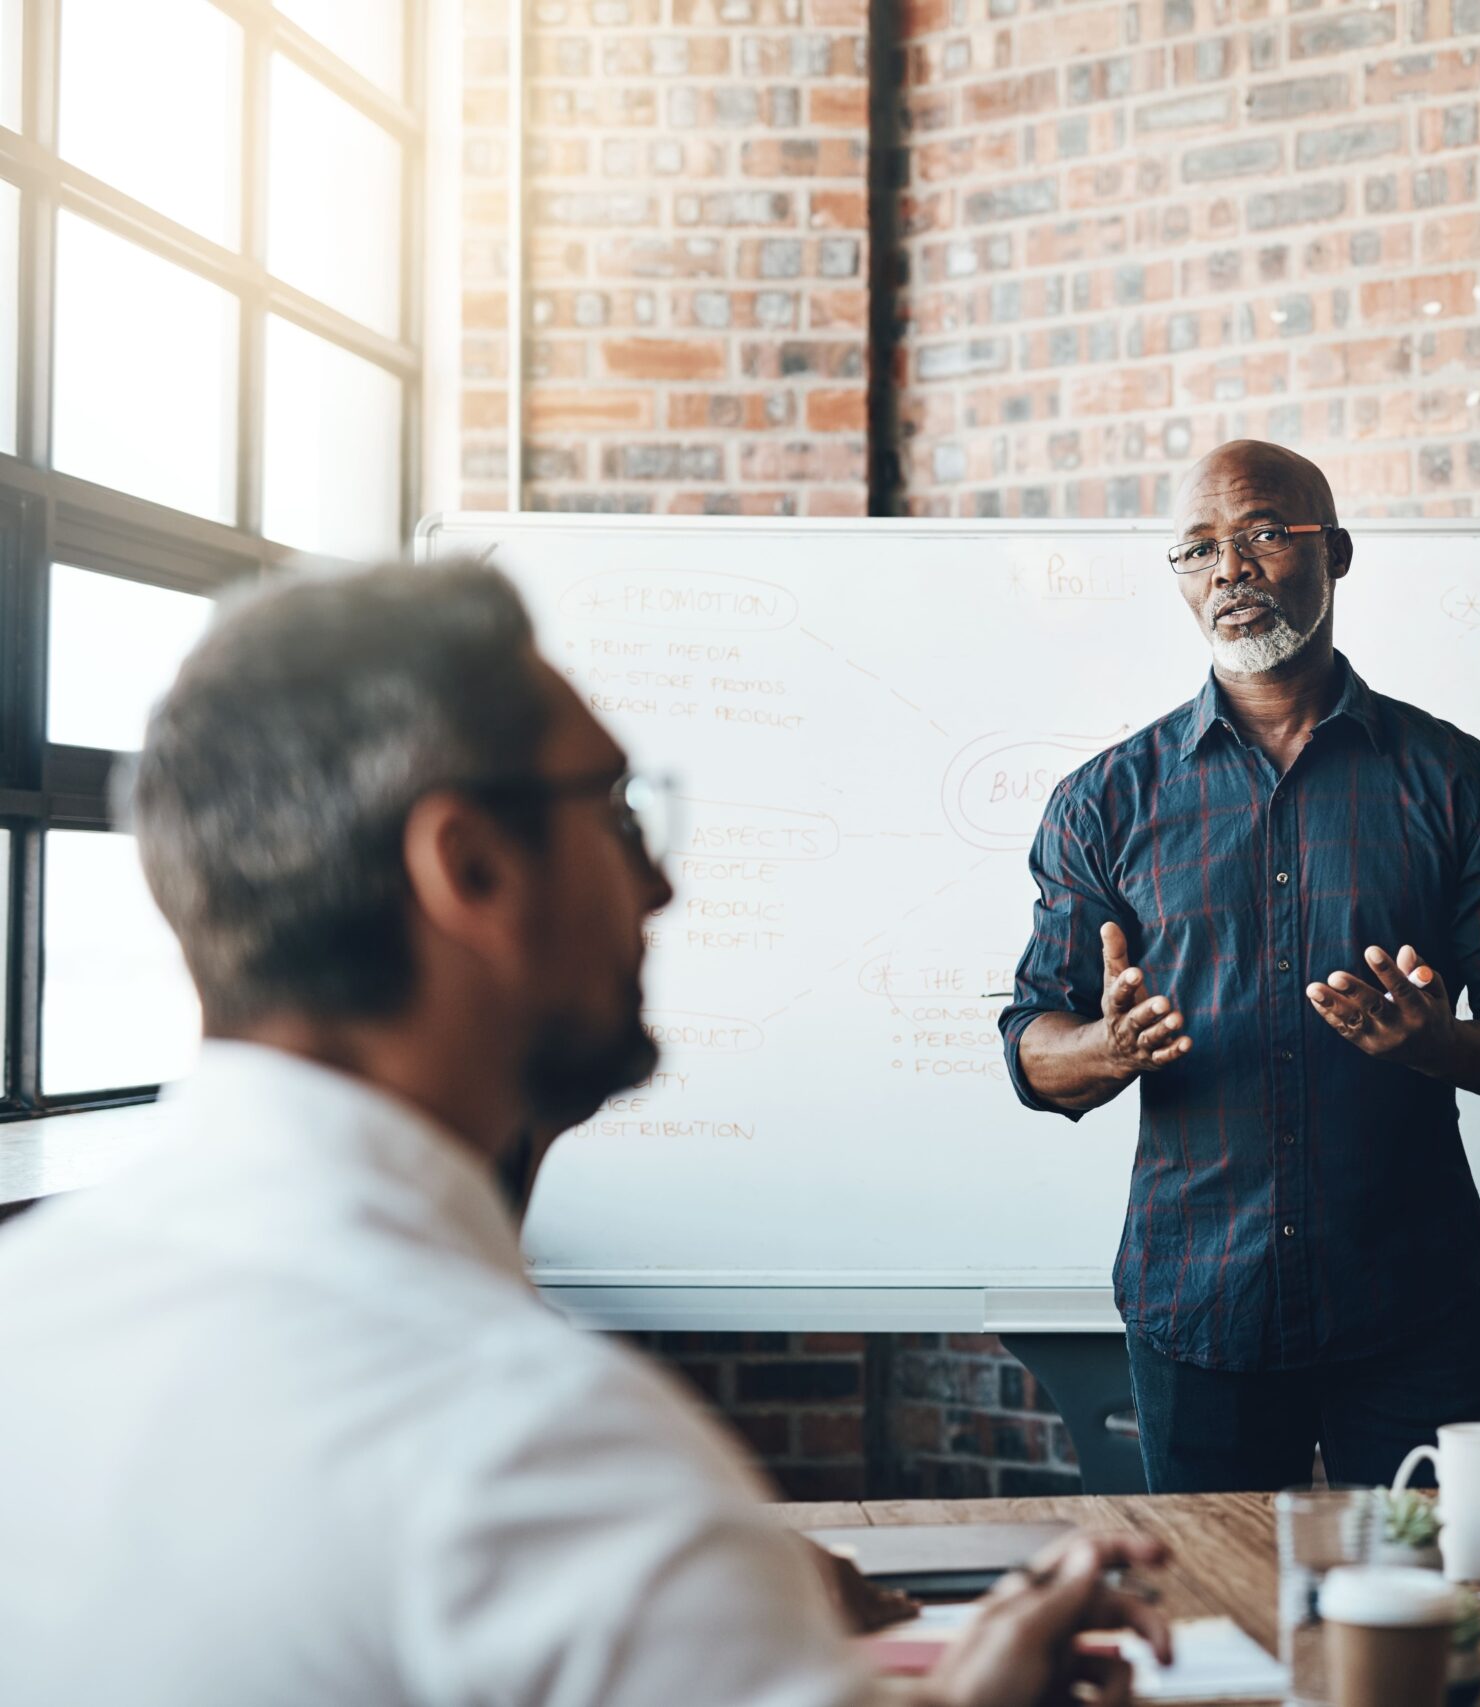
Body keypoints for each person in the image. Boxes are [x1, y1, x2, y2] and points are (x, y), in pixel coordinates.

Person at [0, 565, 1167, 1707]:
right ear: (469, 868)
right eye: (614, 811)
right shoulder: (547, 1460)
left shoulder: (30, 1310)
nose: (656, 884)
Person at [1000, 440, 1480, 1492]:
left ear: (1338, 553)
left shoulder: (1456, 784)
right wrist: (1107, 1046)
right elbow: (1034, 1048)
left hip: (1409, 1305)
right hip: (1196, 1304)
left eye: (1265, 533)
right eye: (1197, 549)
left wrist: (1436, 1043)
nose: (1230, 570)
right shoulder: (1104, 804)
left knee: (1433, 1610)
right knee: (1213, 1630)